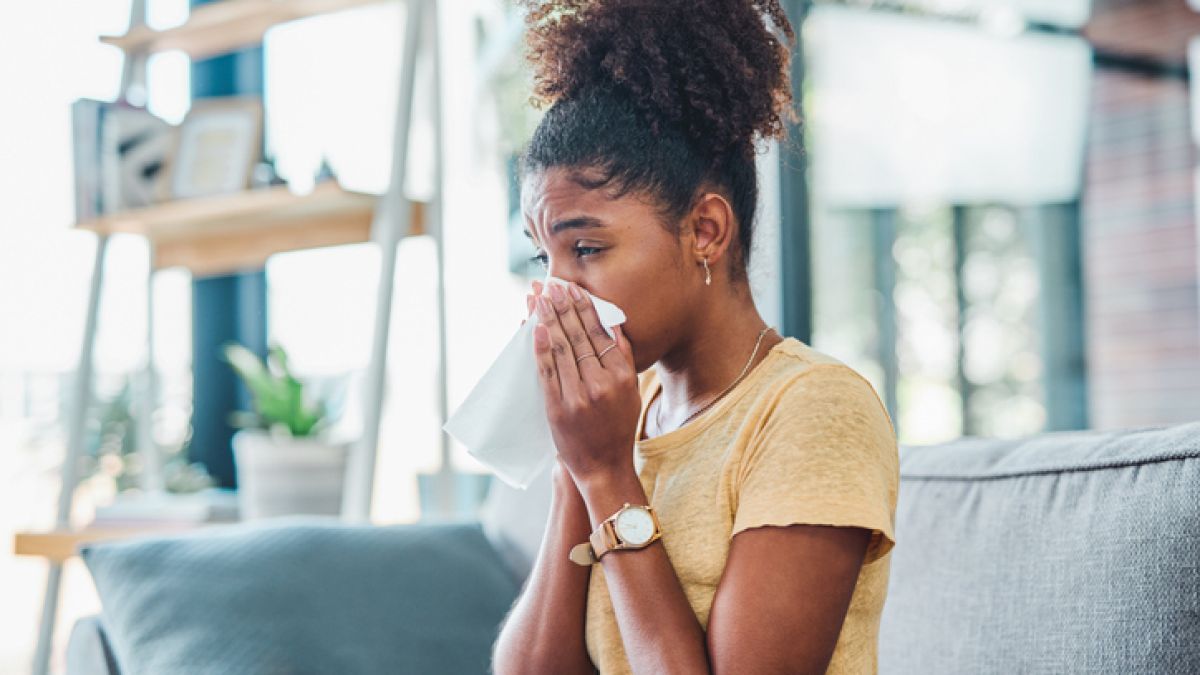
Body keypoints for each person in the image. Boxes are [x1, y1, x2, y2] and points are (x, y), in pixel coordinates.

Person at [491, 1, 899, 673]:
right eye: (544, 258)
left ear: (705, 231)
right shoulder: (622, 414)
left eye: (586, 248)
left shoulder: (812, 410)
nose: (555, 294)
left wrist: (609, 476)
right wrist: (575, 468)